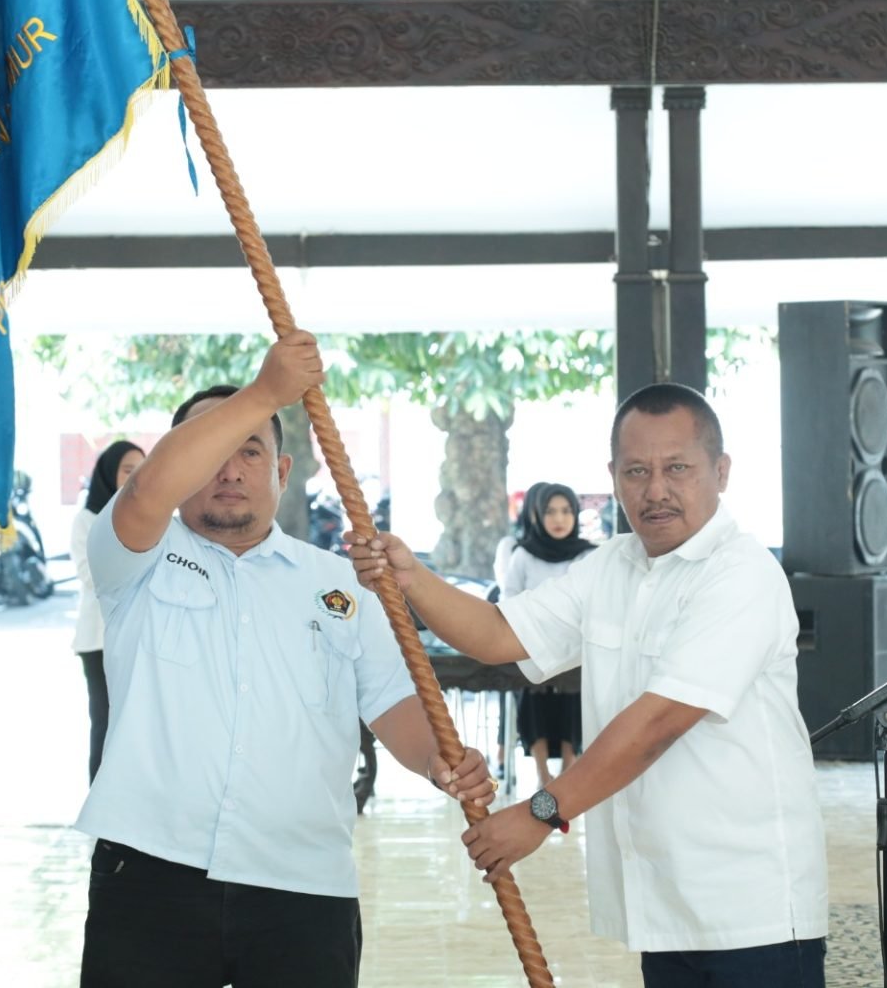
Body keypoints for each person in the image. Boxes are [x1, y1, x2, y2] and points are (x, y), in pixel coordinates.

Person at [354, 382, 828, 987]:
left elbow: (658, 723)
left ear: (721, 471)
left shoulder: (742, 574)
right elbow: (499, 633)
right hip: (665, 908)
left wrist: (540, 812)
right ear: (613, 477)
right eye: (636, 471)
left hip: (751, 910)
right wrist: (411, 577)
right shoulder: (611, 565)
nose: (655, 490)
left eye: (677, 468)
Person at [75, 331, 494, 988]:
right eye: (211, 448)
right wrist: (266, 392)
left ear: (283, 469)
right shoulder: (131, 557)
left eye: (250, 449)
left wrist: (439, 760)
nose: (229, 469)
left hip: (303, 882)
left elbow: (391, 699)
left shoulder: (344, 582)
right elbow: (148, 492)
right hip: (150, 875)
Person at [503, 482, 591, 788]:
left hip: (575, 647)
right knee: (532, 692)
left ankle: (569, 767)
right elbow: (509, 599)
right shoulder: (523, 555)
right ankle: (542, 774)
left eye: (566, 511)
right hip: (532, 645)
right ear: (538, 515)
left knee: (574, 691)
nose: (559, 519)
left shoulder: (588, 555)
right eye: (550, 511)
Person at [70, 440, 145, 782]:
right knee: (104, 720)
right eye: (128, 470)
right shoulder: (87, 520)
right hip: (98, 638)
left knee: (137, 724)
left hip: (140, 636)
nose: (135, 477)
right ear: (109, 473)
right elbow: (92, 576)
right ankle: (99, 800)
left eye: (141, 470)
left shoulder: (151, 517)